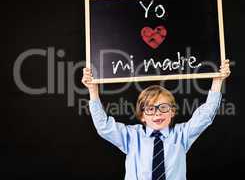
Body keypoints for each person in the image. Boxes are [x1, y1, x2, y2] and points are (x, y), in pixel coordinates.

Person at [81, 59, 231, 180]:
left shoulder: (181, 135)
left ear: (172, 112)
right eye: (151, 109)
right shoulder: (132, 136)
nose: (157, 114)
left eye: (163, 107)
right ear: (142, 115)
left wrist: (217, 82)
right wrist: (93, 91)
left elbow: (205, 116)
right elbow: (104, 126)